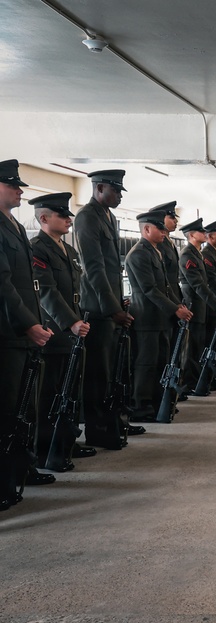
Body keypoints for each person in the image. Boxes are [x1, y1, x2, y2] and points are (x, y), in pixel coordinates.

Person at [0, 160, 55, 504]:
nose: (20, 190)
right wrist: (27, 323)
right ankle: (5, 482)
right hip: (7, 333)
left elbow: (28, 284)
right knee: (7, 409)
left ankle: (21, 467)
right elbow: (3, 285)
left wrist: (37, 319)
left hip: (23, 332)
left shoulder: (16, 227)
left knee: (25, 407)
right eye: (13, 185)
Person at [28, 192, 92, 472]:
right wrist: (70, 322)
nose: (68, 219)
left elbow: (76, 290)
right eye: (61, 215)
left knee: (70, 391)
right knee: (51, 394)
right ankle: (45, 450)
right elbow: (47, 293)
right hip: (55, 331)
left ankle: (66, 441)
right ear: (44, 218)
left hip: (73, 330)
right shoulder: (37, 248)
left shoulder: (69, 249)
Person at [75, 169, 133, 449]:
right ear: (99, 188)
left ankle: (112, 422)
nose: (120, 195)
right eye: (116, 190)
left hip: (109, 307)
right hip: (98, 310)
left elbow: (113, 268)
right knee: (98, 375)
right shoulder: (87, 216)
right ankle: (97, 430)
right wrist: (112, 309)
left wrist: (119, 302)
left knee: (111, 372)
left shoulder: (108, 217)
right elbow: (94, 268)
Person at [124, 210, 193, 421]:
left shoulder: (155, 251)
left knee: (161, 362)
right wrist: (174, 309)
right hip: (147, 319)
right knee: (146, 365)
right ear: (146, 229)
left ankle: (156, 402)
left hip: (161, 318)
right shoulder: (138, 254)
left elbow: (165, 286)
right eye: (159, 229)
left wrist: (177, 305)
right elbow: (149, 289)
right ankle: (140, 407)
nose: (164, 233)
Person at [179, 218, 216, 392]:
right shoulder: (188, 254)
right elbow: (198, 285)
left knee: (200, 346)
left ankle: (198, 381)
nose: (205, 234)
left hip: (201, 307)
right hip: (193, 307)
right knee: (192, 349)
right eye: (201, 232)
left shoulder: (197, 254)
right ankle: (189, 384)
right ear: (192, 235)